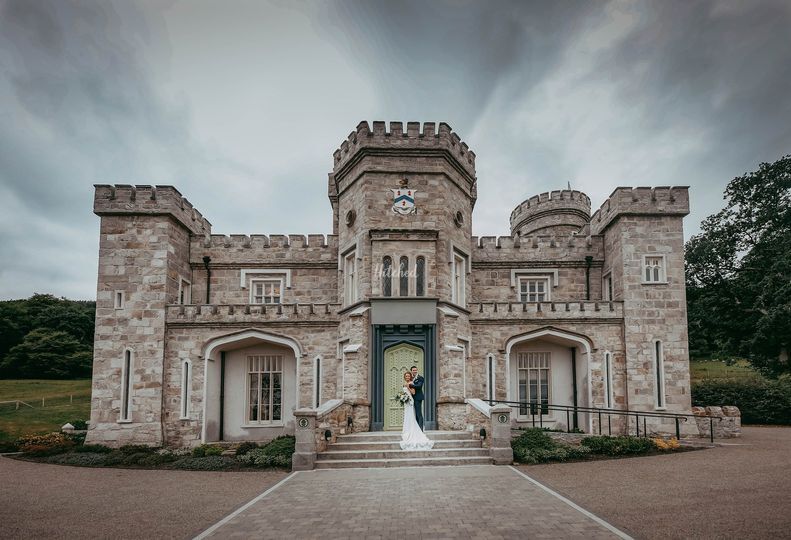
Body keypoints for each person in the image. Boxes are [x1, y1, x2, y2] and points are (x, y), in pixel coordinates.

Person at [400, 371, 433, 451]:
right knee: (407, 416)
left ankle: (414, 430)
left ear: (410, 377)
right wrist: (402, 397)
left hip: (410, 401)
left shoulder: (411, 383)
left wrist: (408, 387)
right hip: (406, 402)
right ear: (404, 377)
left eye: (408, 376)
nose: (407, 377)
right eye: (406, 376)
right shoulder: (405, 383)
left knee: (411, 415)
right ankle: (407, 429)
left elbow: (413, 392)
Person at [409, 365, 425, 430]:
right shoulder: (411, 378)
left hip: (418, 398)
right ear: (411, 371)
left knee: (419, 413)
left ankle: (421, 429)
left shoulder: (420, 378)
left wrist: (410, 385)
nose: (415, 371)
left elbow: (419, 386)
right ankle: (416, 429)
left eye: (416, 370)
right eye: (413, 370)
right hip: (411, 398)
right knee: (414, 414)